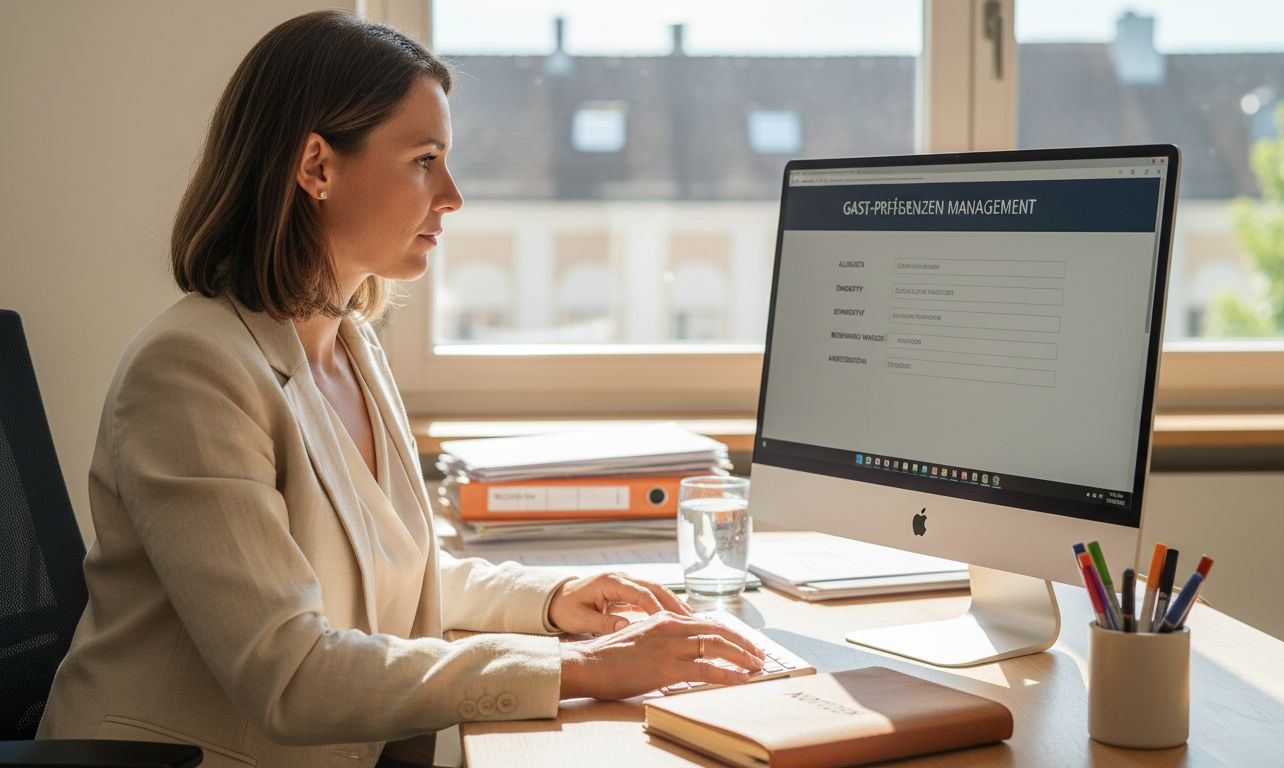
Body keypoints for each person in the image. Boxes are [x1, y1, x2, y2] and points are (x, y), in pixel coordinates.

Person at [37, 11, 766, 768]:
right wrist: (578, 668)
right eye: (424, 159)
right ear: (316, 167)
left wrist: (556, 599)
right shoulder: (190, 370)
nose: (451, 195)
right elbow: (289, 671)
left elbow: (389, 580)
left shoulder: (350, 342)